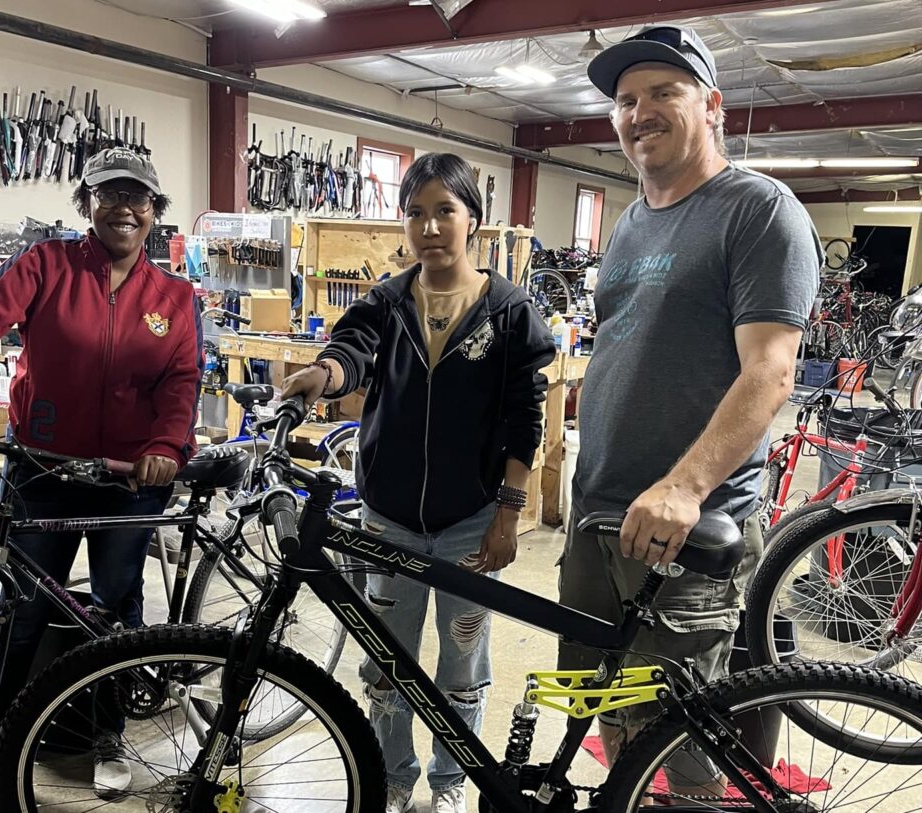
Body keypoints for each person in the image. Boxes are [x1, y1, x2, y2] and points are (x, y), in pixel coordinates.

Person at [557, 25, 822, 797]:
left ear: (711, 104)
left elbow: (771, 369)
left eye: (662, 93)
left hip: (685, 524)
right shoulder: (632, 222)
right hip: (599, 508)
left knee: (681, 739)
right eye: (625, 100)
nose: (639, 112)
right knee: (608, 707)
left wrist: (686, 484)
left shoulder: (757, 212)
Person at [0, 147, 203, 812]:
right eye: (108, 193)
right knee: (18, 613)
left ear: (155, 210)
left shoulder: (175, 298)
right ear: (86, 203)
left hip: (129, 480)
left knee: (116, 611)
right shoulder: (44, 266)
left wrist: (164, 443)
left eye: (138, 195)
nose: (124, 206)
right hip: (42, 469)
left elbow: (182, 382)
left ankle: (109, 737)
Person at [283, 152, 555, 813]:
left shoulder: (510, 311)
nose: (430, 226)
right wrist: (324, 377)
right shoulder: (387, 298)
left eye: (444, 211)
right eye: (416, 213)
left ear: (474, 222)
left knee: (462, 667)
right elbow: (352, 349)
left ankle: (450, 780)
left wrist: (507, 514)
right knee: (385, 662)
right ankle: (394, 774)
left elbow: (527, 419)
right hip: (388, 520)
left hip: (471, 522)